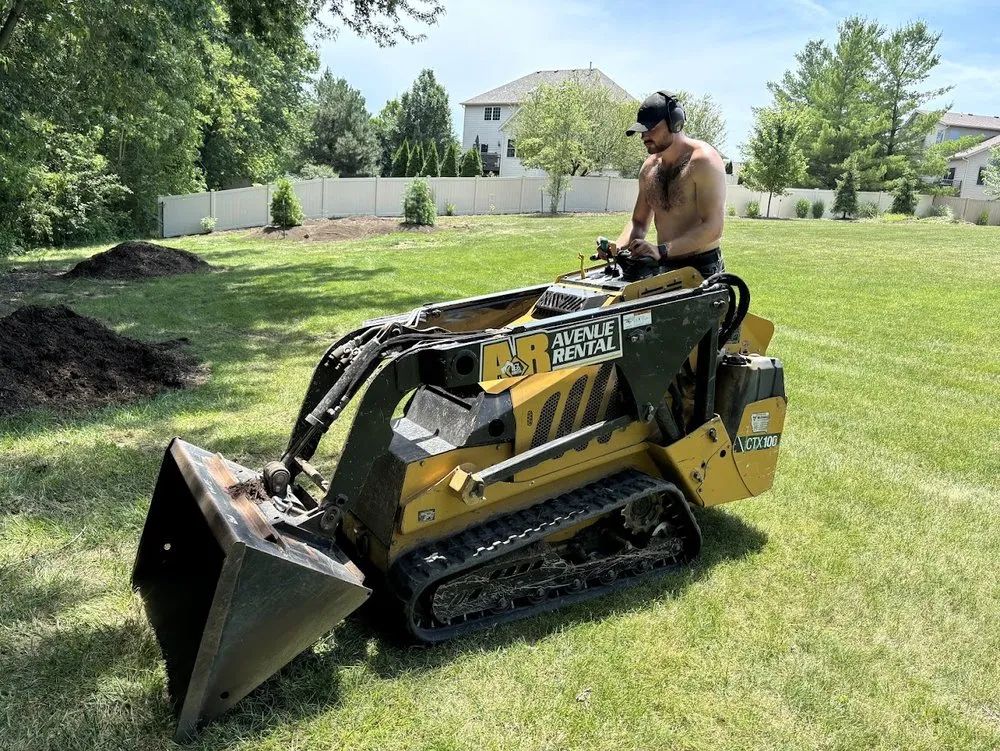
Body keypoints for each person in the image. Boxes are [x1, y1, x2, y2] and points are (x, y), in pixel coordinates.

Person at [599, 90, 727, 279]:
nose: (644, 136)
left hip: (701, 268)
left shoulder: (703, 161)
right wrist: (616, 247)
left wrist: (663, 250)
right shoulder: (649, 168)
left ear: (675, 122)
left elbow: (713, 227)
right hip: (664, 264)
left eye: (650, 128)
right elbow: (639, 223)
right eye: (642, 130)